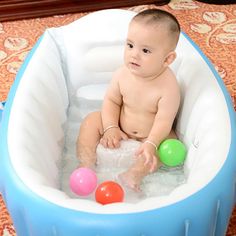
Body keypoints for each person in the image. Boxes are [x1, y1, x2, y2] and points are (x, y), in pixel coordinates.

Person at [76, 9, 181, 191]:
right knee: (91, 120)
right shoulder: (122, 74)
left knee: (170, 140)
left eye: (145, 50)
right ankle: (86, 163)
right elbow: (111, 101)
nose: (134, 54)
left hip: (149, 137)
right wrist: (110, 127)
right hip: (120, 128)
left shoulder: (168, 87)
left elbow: (164, 121)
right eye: (130, 45)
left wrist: (151, 143)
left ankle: (134, 174)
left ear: (167, 59)